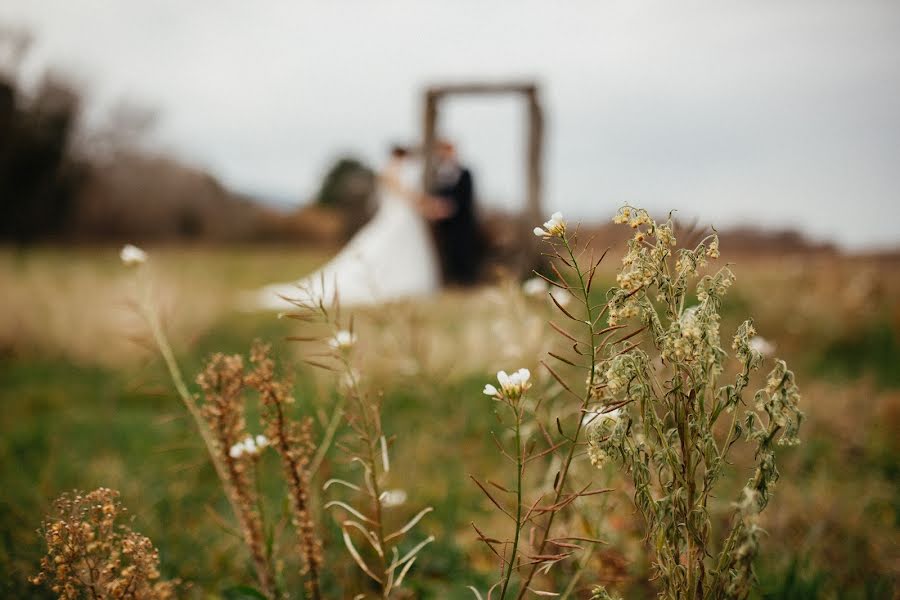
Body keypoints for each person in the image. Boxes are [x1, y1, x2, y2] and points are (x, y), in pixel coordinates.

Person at [251, 146, 441, 310]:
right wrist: (426, 206)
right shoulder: (391, 172)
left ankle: (403, 283)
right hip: (398, 217)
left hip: (402, 217)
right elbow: (405, 194)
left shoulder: (393, 172)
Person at [427, 140, 483, 286]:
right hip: (446, 224)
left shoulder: (465, 172)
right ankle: (453, 281)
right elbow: (437, 195)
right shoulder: (439, 173)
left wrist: (450, 209)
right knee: (449, 253)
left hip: (463, 222)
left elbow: (466, 197)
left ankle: (467, 282)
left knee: (464, 251)